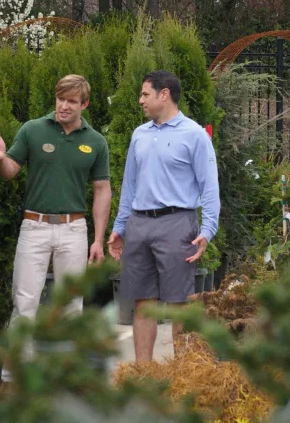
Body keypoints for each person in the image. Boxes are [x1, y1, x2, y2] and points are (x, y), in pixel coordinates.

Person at [0, 74, 111, 380]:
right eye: (60, 99)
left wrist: (98, 239)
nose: (64, 106)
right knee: (25, 300)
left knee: (70, 305)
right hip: (34, 226)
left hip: (74, 230)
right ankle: (15, 376)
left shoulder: (96, 142)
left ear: (85, 104)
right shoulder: (32, 130)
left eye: (71, 101)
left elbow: (102, 190)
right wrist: (1, 158)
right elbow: (9, 171)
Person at [106, 70, 220, 362]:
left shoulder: (194, 135)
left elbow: (209, 187)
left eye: (145, 94)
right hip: (139, 225)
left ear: (164, 94)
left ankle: (184, 374)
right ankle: (144, 376)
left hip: (177, 223)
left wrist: (207, 231)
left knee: (179, 303)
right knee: (142, 304)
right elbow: (129, 185)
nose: (140, 100)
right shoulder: (139, 135)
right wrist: (120, 227)